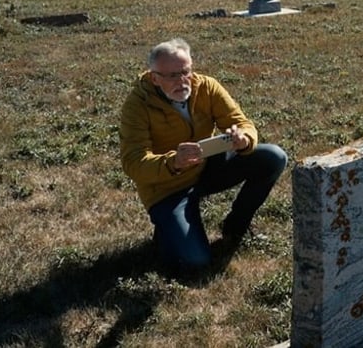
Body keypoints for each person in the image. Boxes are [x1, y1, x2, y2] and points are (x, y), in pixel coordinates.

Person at [119, 37, 287, 271]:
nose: (182, 81)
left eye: (186, 71)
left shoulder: (206, 86)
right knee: (194, 262)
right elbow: (133, 162)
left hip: (206, 169)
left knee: (273, 157)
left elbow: (241, 121)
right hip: (167, 188)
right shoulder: (137, 105)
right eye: (172, 76)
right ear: (154, 78)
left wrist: (243, 139)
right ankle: (168, 229)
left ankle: (235, 227)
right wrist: (173, 162)